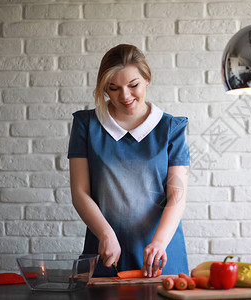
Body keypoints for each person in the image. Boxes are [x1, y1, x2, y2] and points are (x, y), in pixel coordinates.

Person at [67, 44, 190, 278]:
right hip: (106, 250)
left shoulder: (171, 128)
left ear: (147, 79)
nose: (124, 96)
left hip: (160, 253)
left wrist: (159, 243)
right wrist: (105, 234)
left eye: (133, 85)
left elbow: (177, 194)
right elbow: (79, 192)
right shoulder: (86, 125)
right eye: (113, 88)